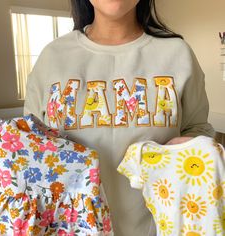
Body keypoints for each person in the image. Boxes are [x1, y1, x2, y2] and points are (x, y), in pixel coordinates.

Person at [24, 0, 214, 235]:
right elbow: (30, 150)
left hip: (158, 228)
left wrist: (190, 145)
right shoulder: (51, 58)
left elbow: (198, 130)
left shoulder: (178, 53)